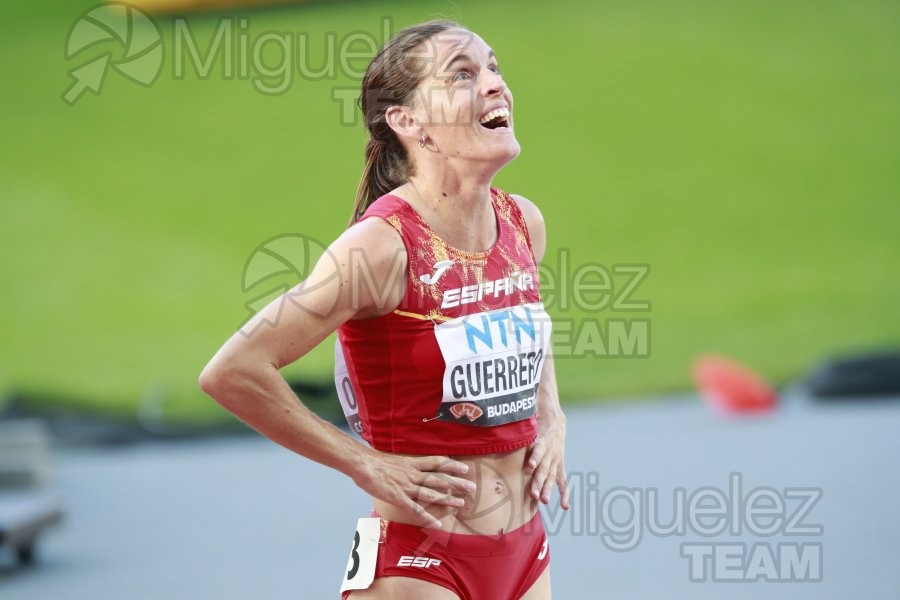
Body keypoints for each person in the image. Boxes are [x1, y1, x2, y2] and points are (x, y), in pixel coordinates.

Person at [199, 19, 568, 599]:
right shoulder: (379, 248)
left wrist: (551, 412)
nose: (495, 84)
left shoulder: (524, 223)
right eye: (463, 75)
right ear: (407, 121)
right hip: (420, 565)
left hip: (526, 551)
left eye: (494, 68)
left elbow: (526, 325)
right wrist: (363, 463)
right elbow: (233, 371)